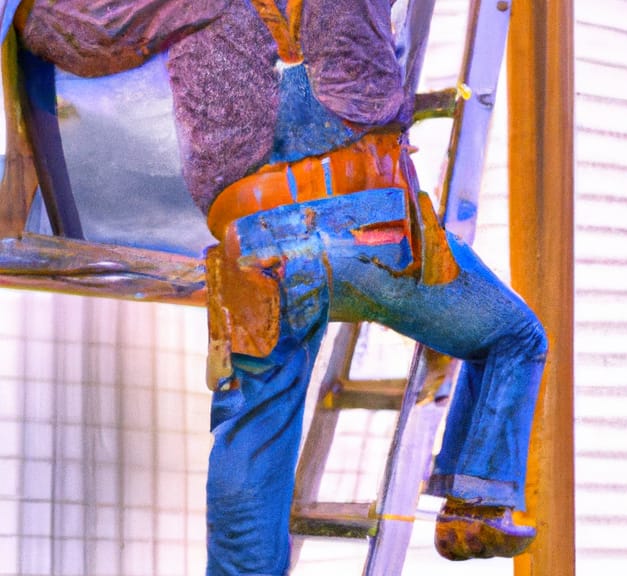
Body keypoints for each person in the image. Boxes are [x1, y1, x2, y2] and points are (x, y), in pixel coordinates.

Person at [12, 0, 548, 574]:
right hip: (369, 230)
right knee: (516, 337)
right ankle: (480, 507)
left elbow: (68, 29)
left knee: (251, 439)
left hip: (258, 253)